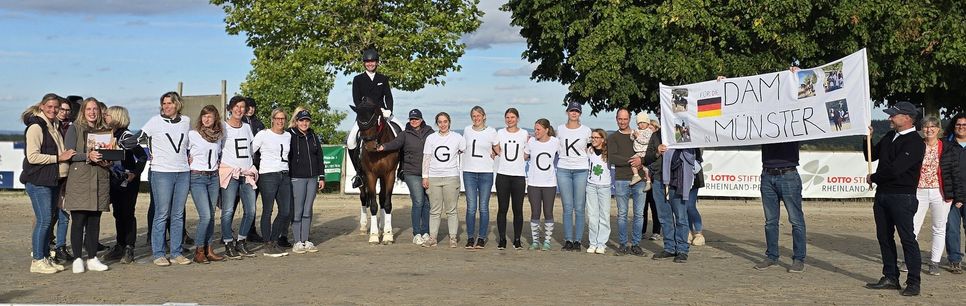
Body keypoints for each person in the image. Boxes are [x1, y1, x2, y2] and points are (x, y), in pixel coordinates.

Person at [863, 101, 926, 297]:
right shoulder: (890, 136)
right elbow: (870, 157)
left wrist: (873, 178)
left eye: (894, 115)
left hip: (902, 196)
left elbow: (896, 169)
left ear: (907, 117)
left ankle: (914, 282)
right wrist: (866, 139)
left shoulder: (915, 142)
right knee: (884, 237)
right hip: (882, 194)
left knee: (907, 239)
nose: (890, 118)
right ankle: (890, 276)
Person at [21, 93, 74, 274]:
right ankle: (37, 260)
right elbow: (32, 157)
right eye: (49, 106)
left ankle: (44, 258)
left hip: (51, 180)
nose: (53, 110)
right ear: (42, 106)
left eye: (55, 107)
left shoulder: (53, 125)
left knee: (48, 221)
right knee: (44, 221)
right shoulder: (36, 127)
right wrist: (59, 158)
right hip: (38, 181)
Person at [138, 91, 192, 267]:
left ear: (177, 104)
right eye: (164, 103)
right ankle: (159, 253)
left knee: (178, 214)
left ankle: (176, 251)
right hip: (162, 172)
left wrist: (191, 156)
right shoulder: (155, 121)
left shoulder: (186, 121)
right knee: (162, 213)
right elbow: (138, 138)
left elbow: (190, 144)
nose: (166, 106)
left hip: (183, 172)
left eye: (169, 103)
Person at [63, 97, 112, 273]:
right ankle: (77, 258)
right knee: (78, 220)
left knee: (94, 221)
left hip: (100, 178)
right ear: (83, 111)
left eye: (95, 109)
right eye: (89, 109)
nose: (92, 112)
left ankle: (92, 257)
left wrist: (108, 161)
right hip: (80, 179)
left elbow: (109, 153)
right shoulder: (74, 128)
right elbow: (68, 154)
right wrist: (87, 156)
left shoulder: (105, 131)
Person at [377, 108, 434, 246]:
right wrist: (383, 147)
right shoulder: (404, 134)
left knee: (427, 203)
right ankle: (417, 233)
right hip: (411, 172)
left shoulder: (431, 133)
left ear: (421, 120)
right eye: (411, 119)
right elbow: (395, 143)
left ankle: (426, 231)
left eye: (416, 119)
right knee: (419, 201)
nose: (413, 121)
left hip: (428, 172)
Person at [100, 106, 147, 264]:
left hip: (128, 180)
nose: (104, 117)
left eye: (107, 115)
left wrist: (135, 173)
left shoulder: (126, 136)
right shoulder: (108, 135)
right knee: (117, 213)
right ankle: (120, 245)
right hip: (114, 179)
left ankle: (129, 247)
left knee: (127, 213)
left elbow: (142, 156)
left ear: (116, 117)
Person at [347, 48, 400, 190]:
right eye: (368, 62)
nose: (370, 64)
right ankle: (359, 174)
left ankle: (402, 170)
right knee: (351, 141)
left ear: (377, 63)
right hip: (365, 115)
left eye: (373, 61)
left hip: (382, 112)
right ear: (364, 63)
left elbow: (388, 96)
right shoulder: (358, 79)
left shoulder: (383, 78)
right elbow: (356, 98)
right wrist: (363, 112)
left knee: (402, 132)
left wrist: (389, 109)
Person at [907, 116, 954, 276]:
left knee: (939, 228)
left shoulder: (947, 147)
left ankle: (935, 262)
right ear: (922, 129)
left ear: (938, 129)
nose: (929, 129)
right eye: (926, 127)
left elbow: (953, 170)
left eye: (933, 126)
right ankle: (909, 260)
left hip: (940, 192)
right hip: (918, 190)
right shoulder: (917, 146)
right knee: (912, 226)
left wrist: (955, 194)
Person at [753, 141, 806, 273]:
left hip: (788, 173)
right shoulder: (764, 122)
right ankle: (772, 256)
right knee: (770, 221)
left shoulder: (794, 122)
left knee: (796, 220)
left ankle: (799, 259)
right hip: (767, 173)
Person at [219, 96, 258, 259]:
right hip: (230, 174)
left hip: (246, 173)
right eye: (236, 106)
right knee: (228, 211)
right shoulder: (222, 127)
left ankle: (241, 240)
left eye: (242, 107)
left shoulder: (247, 127)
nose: (239, 109)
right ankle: (228, 241)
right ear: (230, 108)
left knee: (251, 210)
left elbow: (252, 149)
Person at [186, 105, 226, 263]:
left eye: (210, 116)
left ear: (215, 118)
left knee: (211, 216)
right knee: (205, 216)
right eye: (204, 116)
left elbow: (221, 154)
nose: (206, 119)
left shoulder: (219, 136)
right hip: (197, 177)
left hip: (213, 177)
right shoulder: (193, 134)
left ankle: (209, 249)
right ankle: (199, 250)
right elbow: (183, 150)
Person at [421, 112, 465, 248]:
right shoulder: (431, 138)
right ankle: (433, 237)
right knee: (435, 210)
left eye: (445, 121)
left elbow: (465, 152)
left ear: (449, 122)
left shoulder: (457, 137)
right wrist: (425, 176)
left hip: (451, 177)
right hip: (434, 178)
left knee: (451, 209)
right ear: (436, 124)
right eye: (440, 122)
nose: (443, 124)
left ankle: (453, 237)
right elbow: (427, 158)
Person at [253, 108, 292, 258]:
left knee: (285, 211)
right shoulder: (263, 134)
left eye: (283, 118)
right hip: (268, 174)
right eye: (278, 118)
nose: (280, 121)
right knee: (268, 210)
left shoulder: (288, 136)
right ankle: (267, 243)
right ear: (272, 119)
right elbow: (251, 150)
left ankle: (274, 240)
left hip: (284, 174)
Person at [607, 108, 646, 256]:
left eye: (625, 119)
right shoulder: (613, 137)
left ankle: (636, 244)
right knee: (622, 214)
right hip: (621, 178)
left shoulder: (638, 135)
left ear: (629, 119)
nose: (622, 122)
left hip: (640, 179)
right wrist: (633, 161)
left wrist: (641, 161)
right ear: (616, 119)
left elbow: (647, 152)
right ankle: (623, 244)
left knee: (639, 214)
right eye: (620, 119)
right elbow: (613, 158)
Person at [287, 108, 325, 254]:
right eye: (302, 120)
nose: (304, 123)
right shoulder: (290, 135)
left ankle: (305, 240)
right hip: (296, 178)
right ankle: (297, 241)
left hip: (312, 178)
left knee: (308, 209)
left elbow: (319, 157)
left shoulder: (313, 135)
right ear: (296, 121)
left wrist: (321, 176)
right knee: (297, 210)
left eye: (307, 120)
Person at [461, 106, 498, 249]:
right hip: (469, 172)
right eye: (473, 116)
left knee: (483, 207)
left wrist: (495, 153)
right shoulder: (467, 130)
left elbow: (498, 149)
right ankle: (470, 237)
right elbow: (462, 147)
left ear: (484, 116)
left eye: (478, 115)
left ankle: (481, 238)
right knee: (471, 207)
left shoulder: (492, 131)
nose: (476, 118)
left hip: (485, 172)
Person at [556, 101, 591, 252]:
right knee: (567, 207)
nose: (574, 113)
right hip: (564, 169)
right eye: (571, 111)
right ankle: (568, 240)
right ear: (567, 112)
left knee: (579, 207)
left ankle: (578, 240)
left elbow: (591, 148)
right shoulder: (560, 129)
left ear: (580, 114)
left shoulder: (586, 130)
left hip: (581, 169)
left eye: (576, 111)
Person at [494, 108, 529, 250]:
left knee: (517, 209)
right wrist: (497, 153)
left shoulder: (524, 133)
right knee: (502, 208)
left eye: (512, 117)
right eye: (507, 117)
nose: (510, 120)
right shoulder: (500, 133)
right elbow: (495, 147)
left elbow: (527, 152)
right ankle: (502, 239)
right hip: (503, 175)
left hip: (518, 176)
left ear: (517, 119)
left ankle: (517, 239)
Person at [526, 118, 560, 251]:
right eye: (535, 129)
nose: (536, 132)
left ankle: (547, 241)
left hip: (549, 183)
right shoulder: (531, 142)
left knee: (548, 212)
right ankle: (535, 241)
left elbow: (565, 154)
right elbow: (523, 156)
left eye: (538, 129)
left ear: (546, 130)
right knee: (535, 212)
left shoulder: (555, 142)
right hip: (533, 183)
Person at [50, 98, 74, 264]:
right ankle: (44, 247)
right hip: (51, 175)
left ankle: (60, 247)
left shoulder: (71, 128)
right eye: (62, 109)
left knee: (64, 213)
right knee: (47, 216)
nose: (64, 112)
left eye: (67, 110)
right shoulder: (48, 127)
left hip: (67, 176)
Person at [942, 113, 966, 273]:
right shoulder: (946, 144)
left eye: (964, 125)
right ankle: (955, 259)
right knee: (951, 228)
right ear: (954, 125)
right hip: (951, 193)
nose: (961, 127)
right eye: (958, 124)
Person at [241, 97, 266, 244]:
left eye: (253, 107)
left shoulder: (259, 124)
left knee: (252, 201)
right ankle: (229, 231)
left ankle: (251, 230)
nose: (251, 109)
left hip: (256, 167)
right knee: (233, 202)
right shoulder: (239, 123)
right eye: (248, 106)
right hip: (240, 166)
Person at [585, 128, 611, 255]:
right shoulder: (589, 151)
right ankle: (593, 242)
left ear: (602, 139)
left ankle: (602, 243)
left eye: (596, 137)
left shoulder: (608, 153)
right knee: (592, 215)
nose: (594, 140)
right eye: (592, 137)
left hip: (605, 187)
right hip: (591, 186)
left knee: (604, 216)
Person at [643, 119, 662, 241]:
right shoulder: (641, 140)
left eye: (652, 127)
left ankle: (656, 231)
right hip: (643, 178)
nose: (649, 129)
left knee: (655, 206)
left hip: (654, 176)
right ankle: (642, 230)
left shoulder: (659, 140)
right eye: (648, 126)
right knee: (642, 207)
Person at [630, 113, 652, 188]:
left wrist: (638, 137)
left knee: (646, 168)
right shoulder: (636, 130)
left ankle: (648, 182)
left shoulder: (649, 131)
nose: (642, 125)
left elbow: (646, 141)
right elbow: (632, 139)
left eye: (644, 123)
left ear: (647, 123)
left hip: (645, 152)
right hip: (637, 151)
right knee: (632, 162)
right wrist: (632, 135)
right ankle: (636, 175)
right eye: (640, 123)